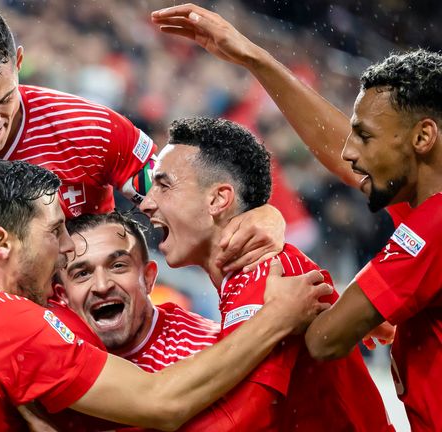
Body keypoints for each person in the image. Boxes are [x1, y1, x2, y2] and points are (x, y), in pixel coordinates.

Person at [0, 158, 332, 431]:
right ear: (2, 242)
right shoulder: (10, 322)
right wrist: (277, 318)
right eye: (54, 232)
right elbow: (162, 402)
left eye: (118, 265)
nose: (63, 248)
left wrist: (261, 214)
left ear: (148, 273)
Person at [150, 5, 442, 429]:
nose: (350, 151)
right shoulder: (422, 196)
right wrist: (255, 59)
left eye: (365, 136)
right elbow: (340, 152)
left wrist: (302, 307)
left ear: (422, 137)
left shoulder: (433, 223)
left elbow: (325, 340)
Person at [0, 1, 287, 275]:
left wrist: (261, 215)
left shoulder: (87, 127)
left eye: (3, 100)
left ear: (19, 63)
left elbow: (176, 194)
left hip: (100, 318)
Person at [140, 117, 392, 431]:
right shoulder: (259, 270)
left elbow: (239, 421)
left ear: (218, 199)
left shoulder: (265, 276)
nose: (146, 203)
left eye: (163, 185)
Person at [57, 212, 219, 373]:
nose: (102, 286)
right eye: (82, 274)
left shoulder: (209, 352)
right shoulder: (56, 367)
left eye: (118, 266)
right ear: (63, 297)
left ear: (148, 278)